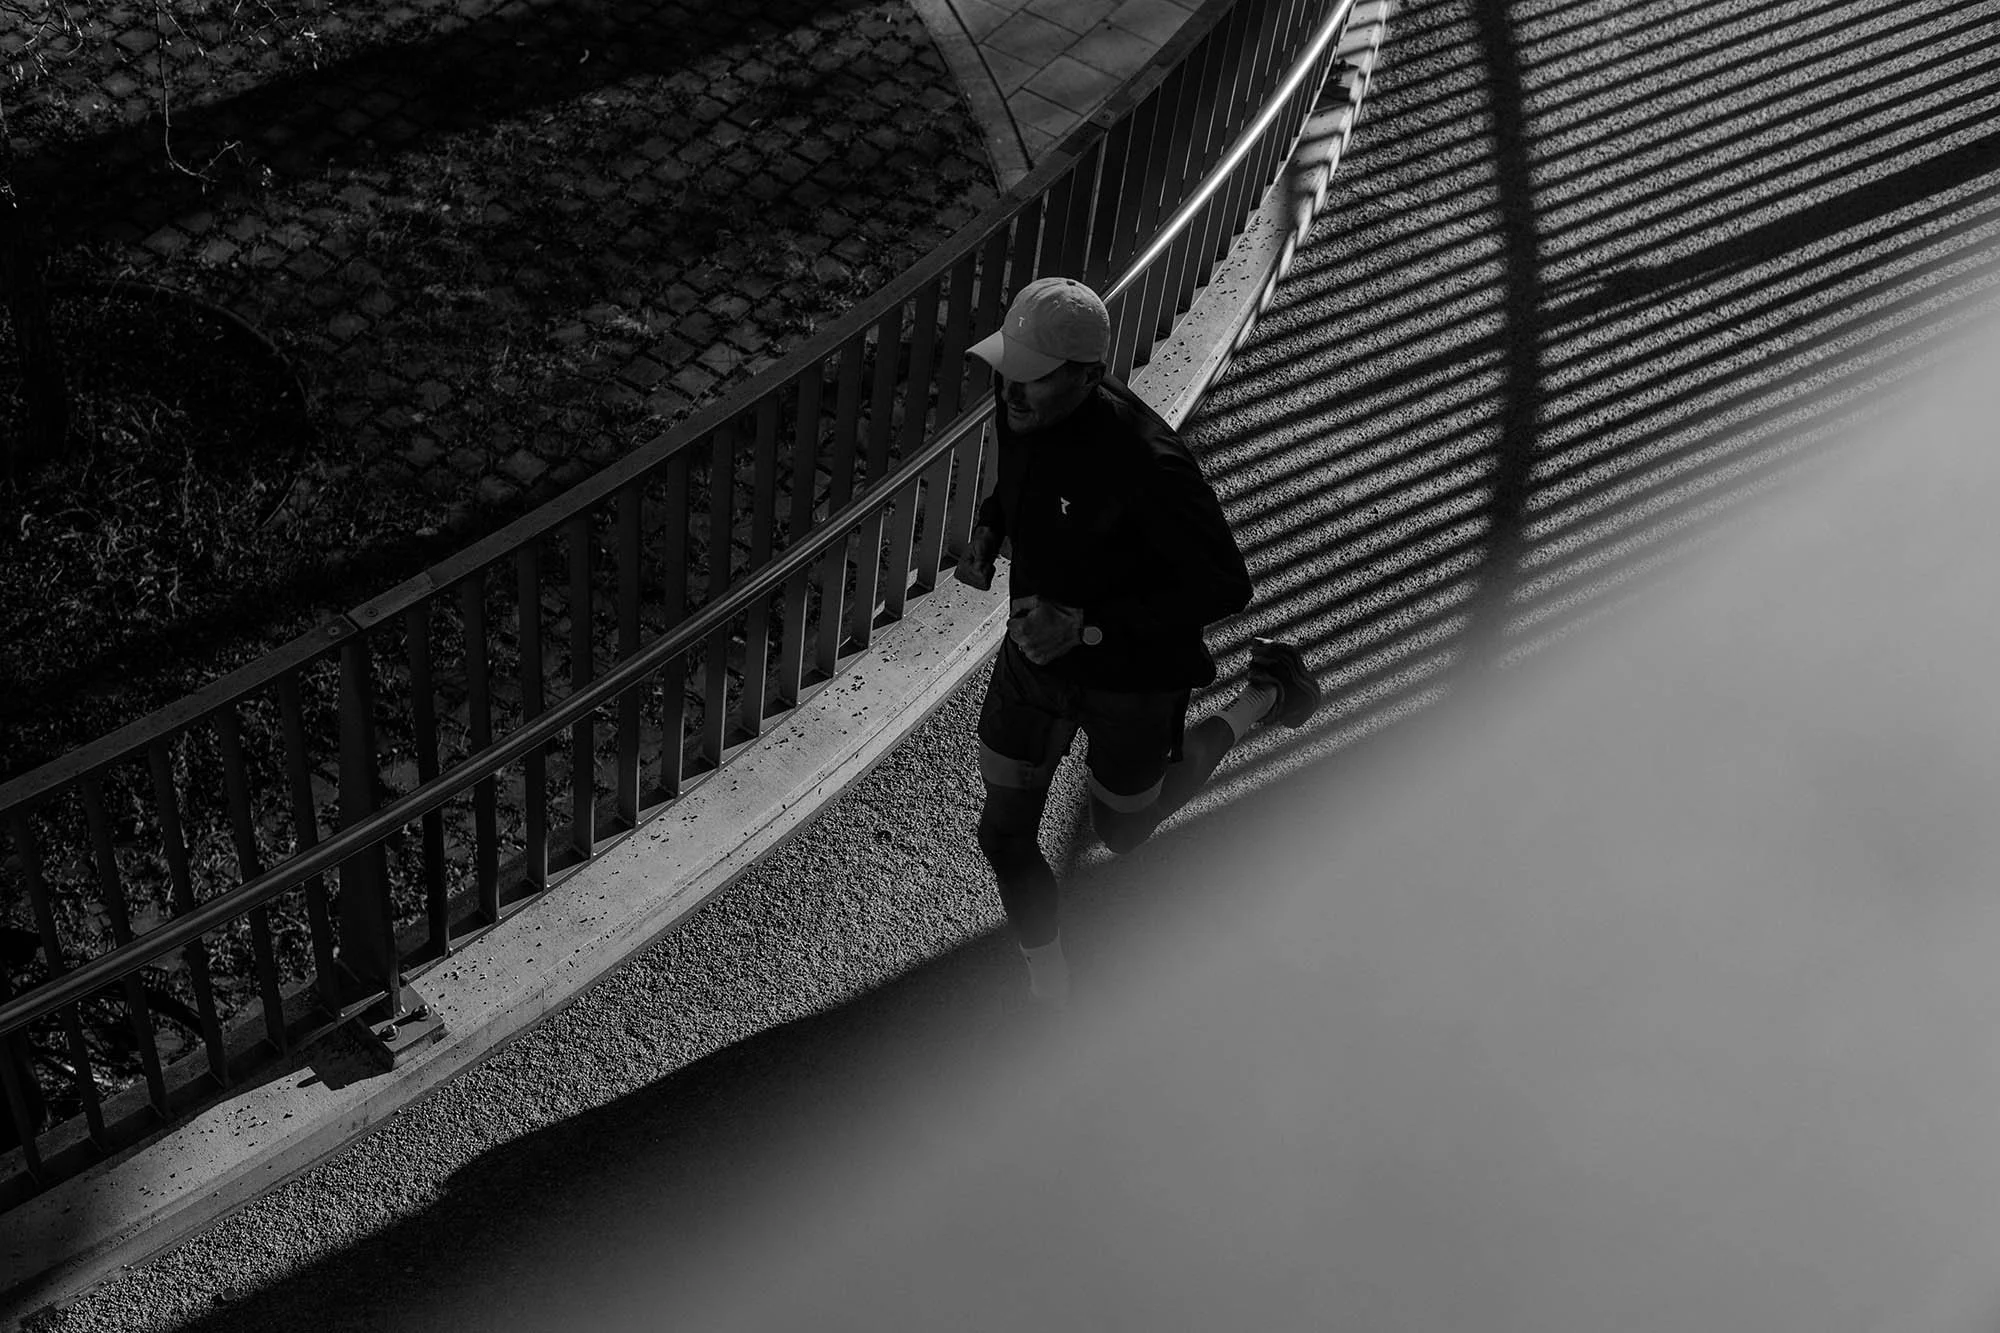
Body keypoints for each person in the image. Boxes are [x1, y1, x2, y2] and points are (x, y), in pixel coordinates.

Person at [958, 276, 1321, 1006]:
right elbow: (1019, 484)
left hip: (1132, 673)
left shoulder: (1149, 464)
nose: (1011, 391)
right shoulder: (1020, 406)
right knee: (1002, 834)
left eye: (1031, 375)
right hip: (1036, 654)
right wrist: (993, 526)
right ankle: (1051, 993)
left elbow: (1226, 585)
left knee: (1121, 832)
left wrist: (1086, 622)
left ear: (1089, 376)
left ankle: (1268, 693)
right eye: (1008, 368)